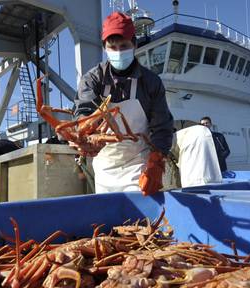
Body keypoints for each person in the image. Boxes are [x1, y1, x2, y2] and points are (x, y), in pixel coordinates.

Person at [72, 12, 174, 195]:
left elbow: (162, 127)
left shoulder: (151, 82)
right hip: (105, 163)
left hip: (140, 161)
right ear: (105, 48)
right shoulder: (92, 80)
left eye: (124, 46)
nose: (118, 52)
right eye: (113, 47)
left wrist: (156, 162)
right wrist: (84, 134)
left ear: (134, 44)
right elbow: (84, 111)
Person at [171, 120, 222, 188]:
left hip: (189, 136)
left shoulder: (161, 132)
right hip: (204, 133)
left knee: (192, 182)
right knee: (209, 175)